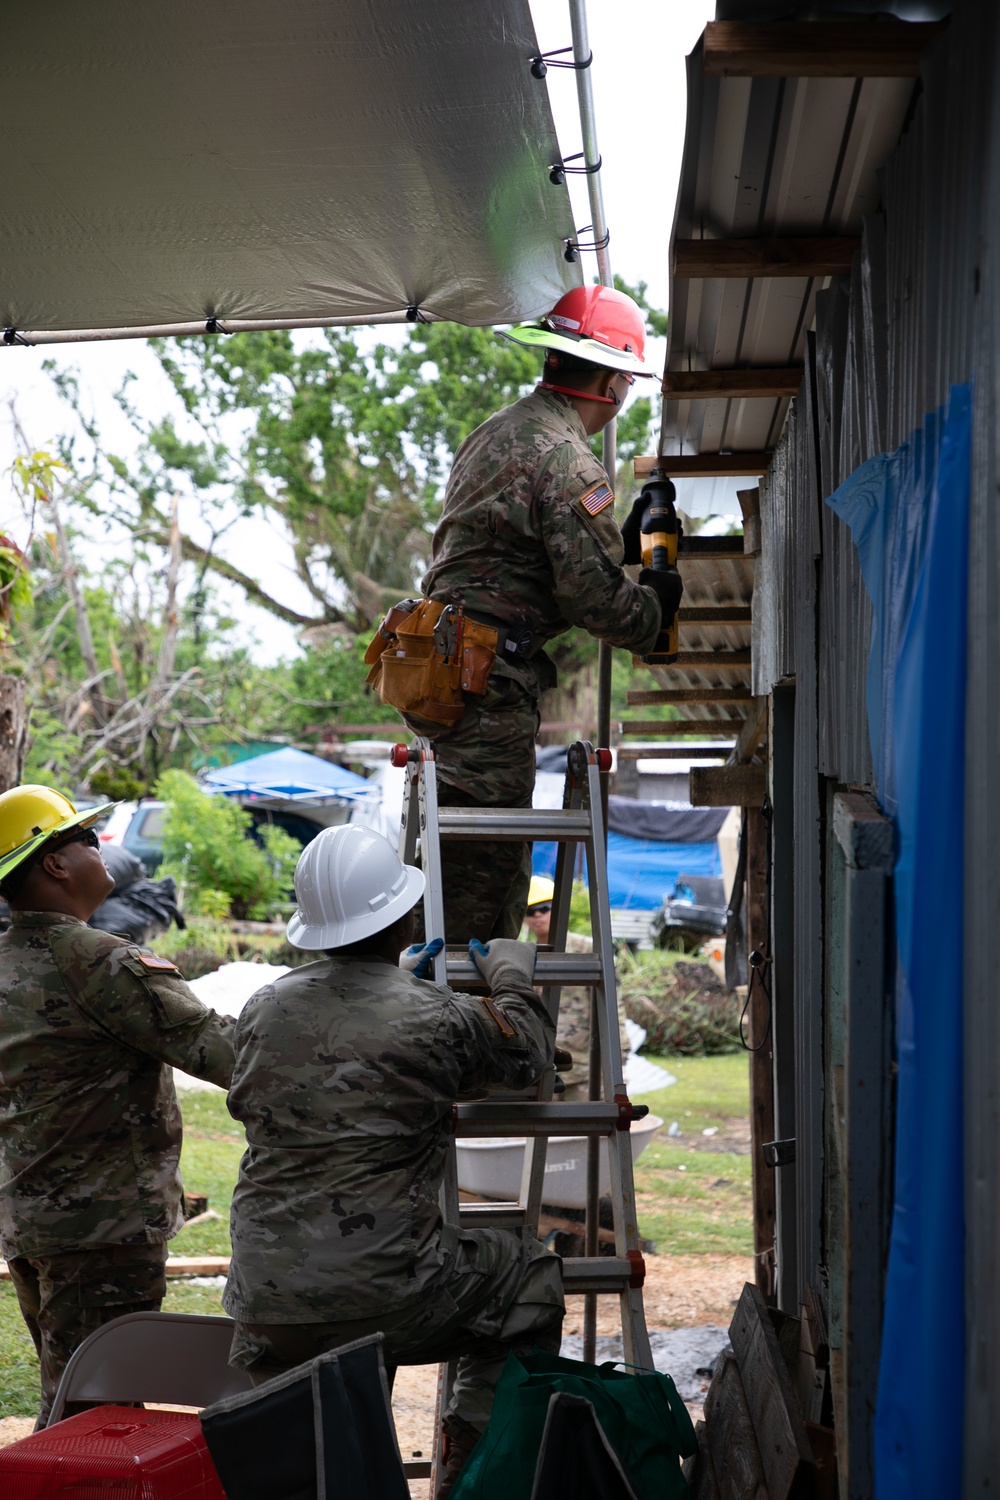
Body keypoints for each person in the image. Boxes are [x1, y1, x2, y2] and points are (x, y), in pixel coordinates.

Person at [223, 824, 564, 1498]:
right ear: (404, 914)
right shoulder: (436, 1016)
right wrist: (513, 982)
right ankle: (471, 1478)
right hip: (385, 1296)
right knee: (528, 1276)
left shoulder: (262, 1007)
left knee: (325, 1437)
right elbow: (525, 1056)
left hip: (266, 1302)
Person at [370, 284, 683, 946]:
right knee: (480, 877)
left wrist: (615, 541)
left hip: (444, 664)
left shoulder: (500, 430)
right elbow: (591, 597)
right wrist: (656, 612)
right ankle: (456, 1032)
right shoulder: (565, 456)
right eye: (623, 383)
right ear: (606, 380)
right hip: (487, 685)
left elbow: (517, 552)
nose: (622, 397)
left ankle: (460, 1015)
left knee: (456, 861)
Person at [0, 784, 236, 1427]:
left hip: (32, 1220)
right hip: (104, 1229)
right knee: (95, 1420)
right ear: (52, 863)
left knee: (73, 1392)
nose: (99, 846)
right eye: (82, 838)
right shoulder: (97, 961)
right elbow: (223, 1054)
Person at [521, 875, 628, 1104]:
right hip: (540, 1067)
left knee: (594, 1132)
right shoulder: (520, 955)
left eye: (543, 908)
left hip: (586, 1067)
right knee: (541, 1134)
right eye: (530, 911)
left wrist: (620, 1052)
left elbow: (612, 1005)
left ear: (557, 909)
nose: (537, 915)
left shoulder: (587, 950)